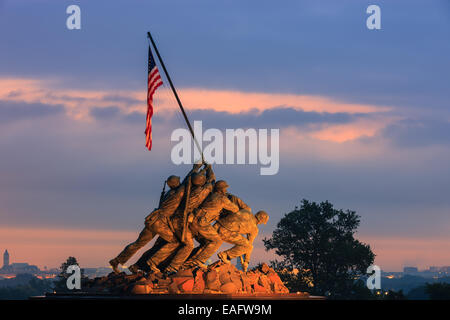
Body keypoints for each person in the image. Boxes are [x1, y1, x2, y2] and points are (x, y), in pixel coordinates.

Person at [108, 163, 201, 273]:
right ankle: (152, 263)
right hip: (160, 222)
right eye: (178, 182)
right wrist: (196, 168)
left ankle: (117, 261)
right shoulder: (177, 193)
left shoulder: (167, 193)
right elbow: (187, 181)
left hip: (152, 220)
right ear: (176, 183)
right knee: (175, 241)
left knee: (138, 243)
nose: (180, 183)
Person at [146, 163, 215, 273]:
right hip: (181, 222)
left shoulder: (187, 189)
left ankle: (154, 262)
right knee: (188, 245)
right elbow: (212, 180)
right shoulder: (202, 191)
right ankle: (171, 268)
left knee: (177, 242)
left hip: (174, 220)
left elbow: (187, 180)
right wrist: (209, 169)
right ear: (202, 182)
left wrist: (197, 169)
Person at [182, 180, 240, 269]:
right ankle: (198, 261)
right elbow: (235, 209)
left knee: (206, 242)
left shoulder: (211, 195)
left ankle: (187, 263)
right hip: (201, 222)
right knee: (217, 241)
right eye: (225, 189)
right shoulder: (221, 199)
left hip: (193, 220)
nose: (226, 190)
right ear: (220, 190)